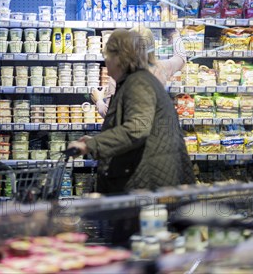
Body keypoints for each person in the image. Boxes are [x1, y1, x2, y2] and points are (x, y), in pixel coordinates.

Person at [68, 28, 195, 194]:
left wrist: (93, 145)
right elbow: (133, 123)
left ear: (120, 58)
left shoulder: (138, 83)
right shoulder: (139, 78)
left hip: (150, 177)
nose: (106, 63)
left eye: (107, 57)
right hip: (151, 170)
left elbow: (137, 128)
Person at [91, 27, 187, 118]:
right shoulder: (162, 68)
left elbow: (110, 114)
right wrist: (175, 35)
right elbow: (181, 58)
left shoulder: (118, 74)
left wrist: (98, 100)